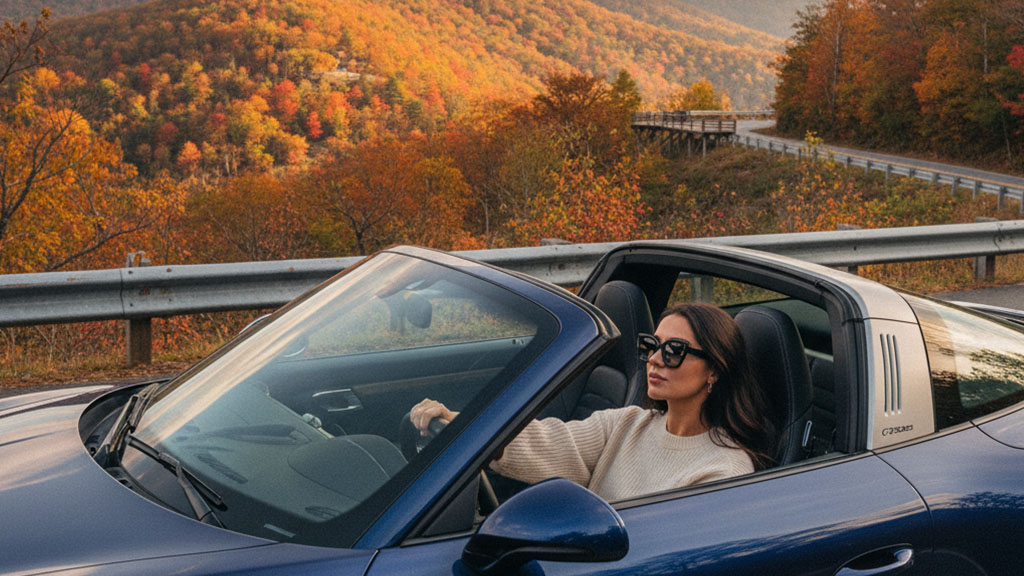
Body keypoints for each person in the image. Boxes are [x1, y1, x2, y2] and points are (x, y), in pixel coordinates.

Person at [410, 302, 775, 502]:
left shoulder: (724, 471)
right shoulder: (629, 423)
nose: (655, 359)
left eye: (674, 351)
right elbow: (546, 441)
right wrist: (462, 424)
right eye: (651, 345)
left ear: (714, 370)